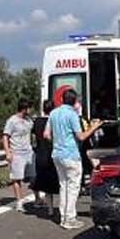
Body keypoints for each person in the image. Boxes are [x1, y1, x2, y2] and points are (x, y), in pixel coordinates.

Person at [44, 89, 102, 230]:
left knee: (63, 185)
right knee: (73, 187)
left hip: (57, 154)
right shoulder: (72, 115)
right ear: (75, 101)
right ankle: (69, 218)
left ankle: (63, 216)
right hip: (71, 154)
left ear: (62, 99)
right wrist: (94, 127)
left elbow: (46, 134)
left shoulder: (53, 113)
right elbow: (81, 137)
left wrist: (57, 142)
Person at [1, 100, 35, 213]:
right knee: (17, 178)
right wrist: (7, 152)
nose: (31, 110)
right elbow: (5, 137)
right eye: (29, 108)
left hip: (28, 151)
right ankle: (19, 202)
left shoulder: (29, 120)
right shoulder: (12, 121)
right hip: (17, 152)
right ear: (24, 109)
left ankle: (38, 198)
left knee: (33, 176)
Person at [28, 99, 59, 216]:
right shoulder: (54, 121)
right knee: (57, 182)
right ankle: (62, 208)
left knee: (44, 182)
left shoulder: (37, 122)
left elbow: (33, 136)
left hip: (40, 154)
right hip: (53, 154)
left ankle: (50, 208)